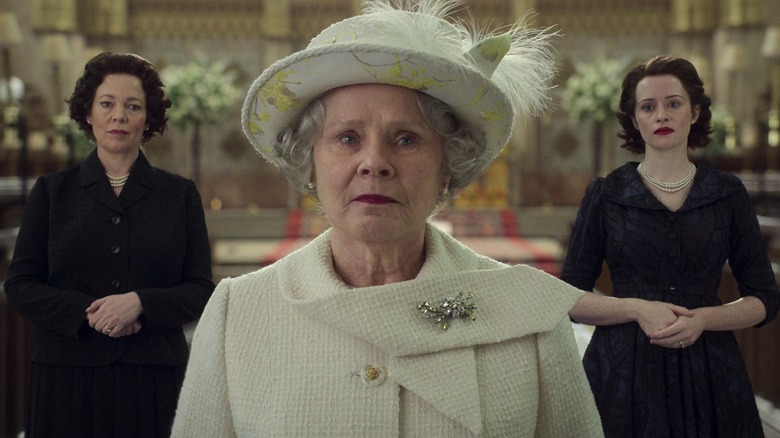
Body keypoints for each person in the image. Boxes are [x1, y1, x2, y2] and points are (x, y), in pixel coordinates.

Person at [171, 1, 604, 436]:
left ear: (447, 164)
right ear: (310, 163)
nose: (374, 162)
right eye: (347, 138)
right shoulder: (236, 314)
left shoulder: (531, 313)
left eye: (406, 138)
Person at [562, 55, 780, 437]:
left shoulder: (727, 194)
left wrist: (704, 320)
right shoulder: (606, 194)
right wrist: (636, 308)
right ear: (634, 119)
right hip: (623, 373)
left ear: (695, 112)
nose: (661, 115)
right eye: (648, 107)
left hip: (710, 368)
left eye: (673, 103)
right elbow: (569, 297)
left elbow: (764, 297)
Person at [4, 52, 215, 437]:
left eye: (132, 106)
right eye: (107, 104)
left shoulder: (179, 194)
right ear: (88, 113)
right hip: (66, 378)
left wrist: (141, 303)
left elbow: (201, 289)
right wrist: (89, 313)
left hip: (153, 377)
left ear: (148, 118)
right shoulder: (52, 192)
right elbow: (20, 286)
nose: (119, 116)